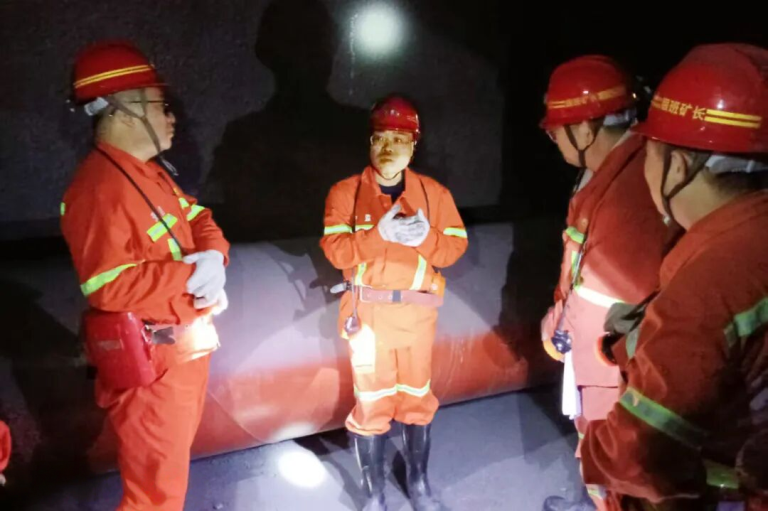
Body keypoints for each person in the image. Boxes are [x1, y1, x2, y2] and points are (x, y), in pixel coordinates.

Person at [580, 43, 768, 511]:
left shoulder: (706, 286)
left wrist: (592, 450)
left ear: (679, 165)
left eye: (650, 151)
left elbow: (637, 454)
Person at [61, 40, 230, 510]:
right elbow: (108, 286)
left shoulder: (149, 174)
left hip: (180, 357)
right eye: (160, 105)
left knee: (166, 485)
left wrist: (213, 258)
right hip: (153, 371)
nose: (172, 117)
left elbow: (199, 217)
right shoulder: (99, 189)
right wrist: (188, 274)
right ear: (124, 109)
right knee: (154, 497)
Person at [320, 96, 468, 511]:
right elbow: (335, 251)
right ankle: (374, 496)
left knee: (417, 400)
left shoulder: (434, 195)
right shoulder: (345, 193)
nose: (389, 148)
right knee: (372, 404)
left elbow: (454, 249)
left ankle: (418, 486)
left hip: (417, 316)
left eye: (399, 139)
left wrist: (425, 238)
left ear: (413, 146)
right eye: (381, 138)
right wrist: (378, 235)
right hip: (367, 317)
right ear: (370, 142)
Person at [539, 55, 668, 511]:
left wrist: (557, 327)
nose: (554, 139)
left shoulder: (629, 188)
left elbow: (601, 293)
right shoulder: (610, 170)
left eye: (557, 131)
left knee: (608, 447)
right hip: (596, 344)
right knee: (596, 443)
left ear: (584, 128)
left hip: (605, 353)